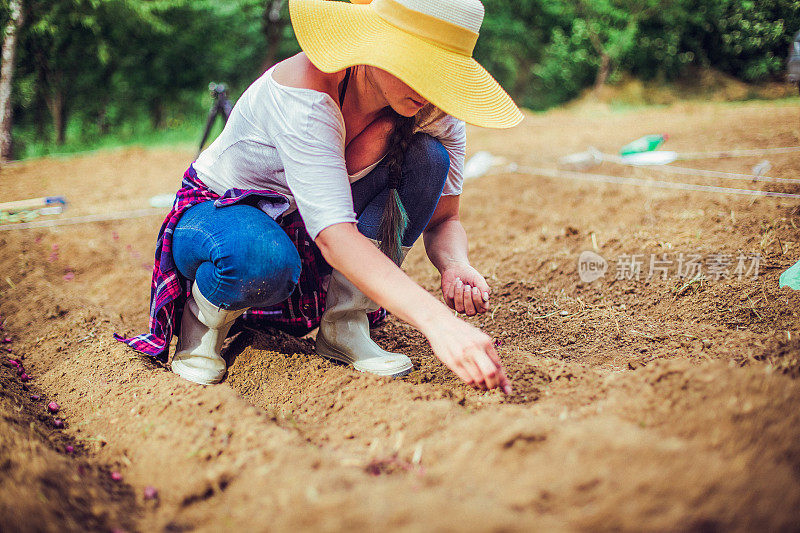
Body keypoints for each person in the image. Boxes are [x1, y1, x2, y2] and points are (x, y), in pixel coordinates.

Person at [116, 0, 523, 393]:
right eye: (417, 67)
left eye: (440, 75)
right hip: (221, 216)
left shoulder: (435, 113)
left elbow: (444, 220)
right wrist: (438, 323)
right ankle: (203, 325)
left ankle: (345, 325)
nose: (428, 89)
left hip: (314, 231)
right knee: (260, 258)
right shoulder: (306, 92)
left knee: (427, 157)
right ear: (376, 43)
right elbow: (334, 236)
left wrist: (454, 264)